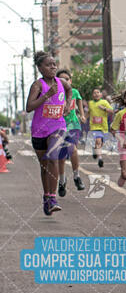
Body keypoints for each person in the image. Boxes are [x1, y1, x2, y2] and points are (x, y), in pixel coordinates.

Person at [26, 51, 72, 216]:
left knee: (53, 157)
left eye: (54, 64)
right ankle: (46, 197)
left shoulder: (62, 82)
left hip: (58, 126)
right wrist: (47, 95)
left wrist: (68, 104)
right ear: (40, 68)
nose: (53, 67)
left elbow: (69, 90)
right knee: (45, 167)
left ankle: (52, 198)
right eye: (48, 65)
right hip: (39, 131)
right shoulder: (37, 85)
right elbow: (29, 107)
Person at [56, 69, 85, 195]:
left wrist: (82, 114)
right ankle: (62, 181)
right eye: (61, 79)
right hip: (59, 125)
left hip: (73, 124)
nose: (64, 81)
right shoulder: (55, 93)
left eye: (67, 79)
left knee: (72, 149)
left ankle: (76, 176)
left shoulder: (74, 92)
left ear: (70, 81)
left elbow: (79, 100)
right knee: (61, 156)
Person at [88, 87, 113, 168]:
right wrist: (84, 118)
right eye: (94, 93)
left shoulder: (104, 102)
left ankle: (95, 150)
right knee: (98, 141)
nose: (96, 94)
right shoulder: (90, 103)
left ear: (101, 94)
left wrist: (104, 108)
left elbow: (112, 111)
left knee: (101, 143)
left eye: (98, 92)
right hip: (94, 127)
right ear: (92, 95)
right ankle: (100, 158)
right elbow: (88, 112)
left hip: (104, 127)